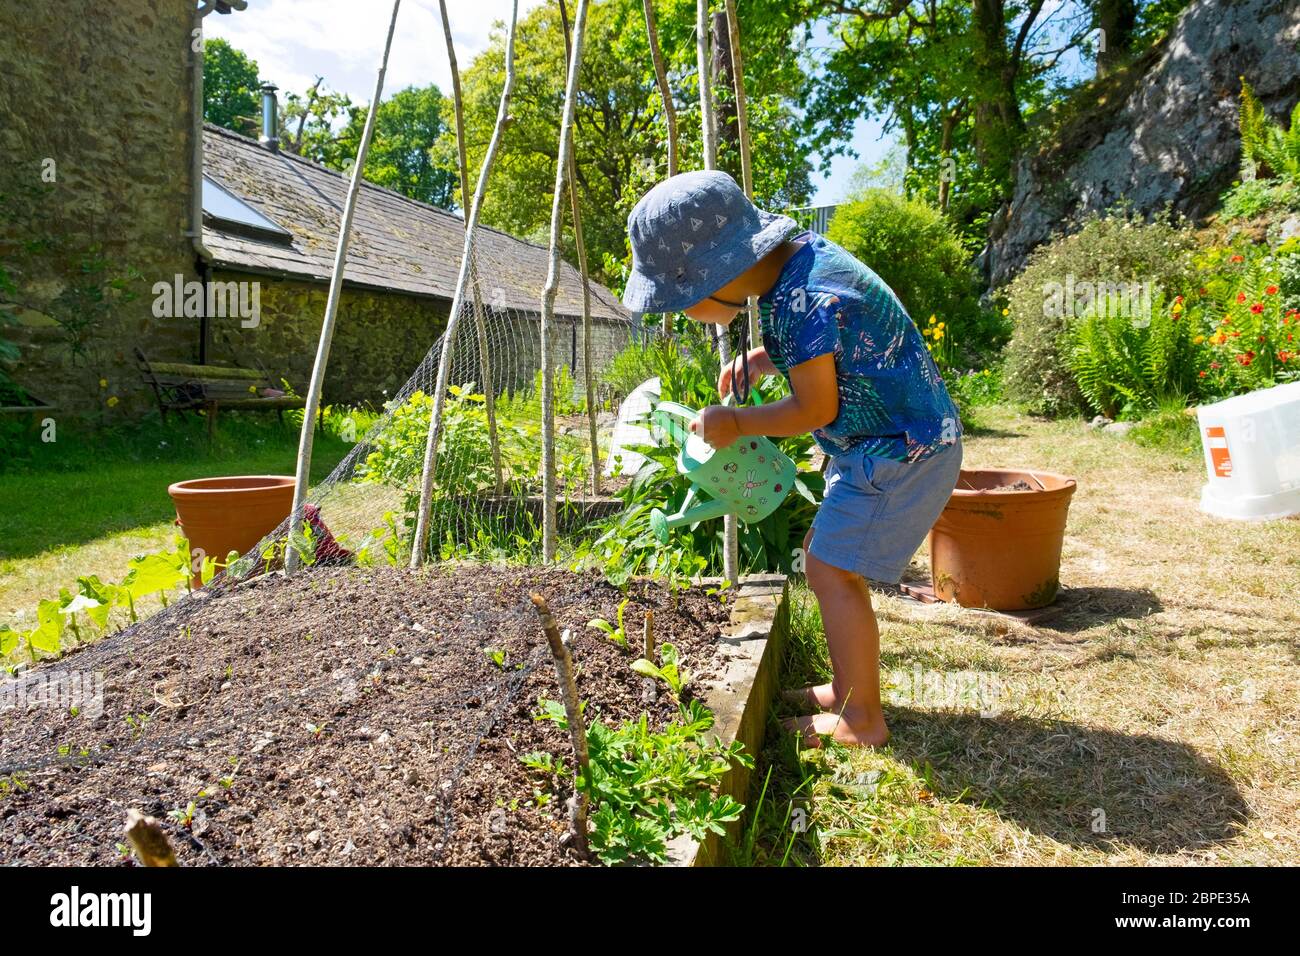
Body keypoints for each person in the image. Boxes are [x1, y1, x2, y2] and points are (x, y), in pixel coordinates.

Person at [621, 170, 963, 747]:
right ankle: (849, 688)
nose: (682, 313)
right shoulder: (802, 263)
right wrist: (763, 359)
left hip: (900, 453)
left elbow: (814, 407)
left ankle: (863, 721)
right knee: (823, 558)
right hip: (893, 443)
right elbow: (833, 337)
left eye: (682, 300)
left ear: (716, 273)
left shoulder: (797, 299)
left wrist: (734, 422)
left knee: (831, 569)